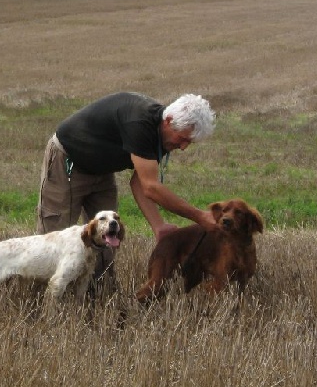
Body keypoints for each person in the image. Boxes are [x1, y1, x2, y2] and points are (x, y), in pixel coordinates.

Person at [35, 92, 217, 294]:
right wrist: (200, 216)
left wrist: (158, 226)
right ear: (168, 121)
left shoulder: (164, 135)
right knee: (53, 237)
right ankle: (42, 300)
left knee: (106, 235)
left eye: (189, 142)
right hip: (69, 162)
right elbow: (151, 187)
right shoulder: (140, 124)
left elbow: (139, 182)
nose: (183, 147)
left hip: (102, 170)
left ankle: (100, 297)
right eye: (182, 139)